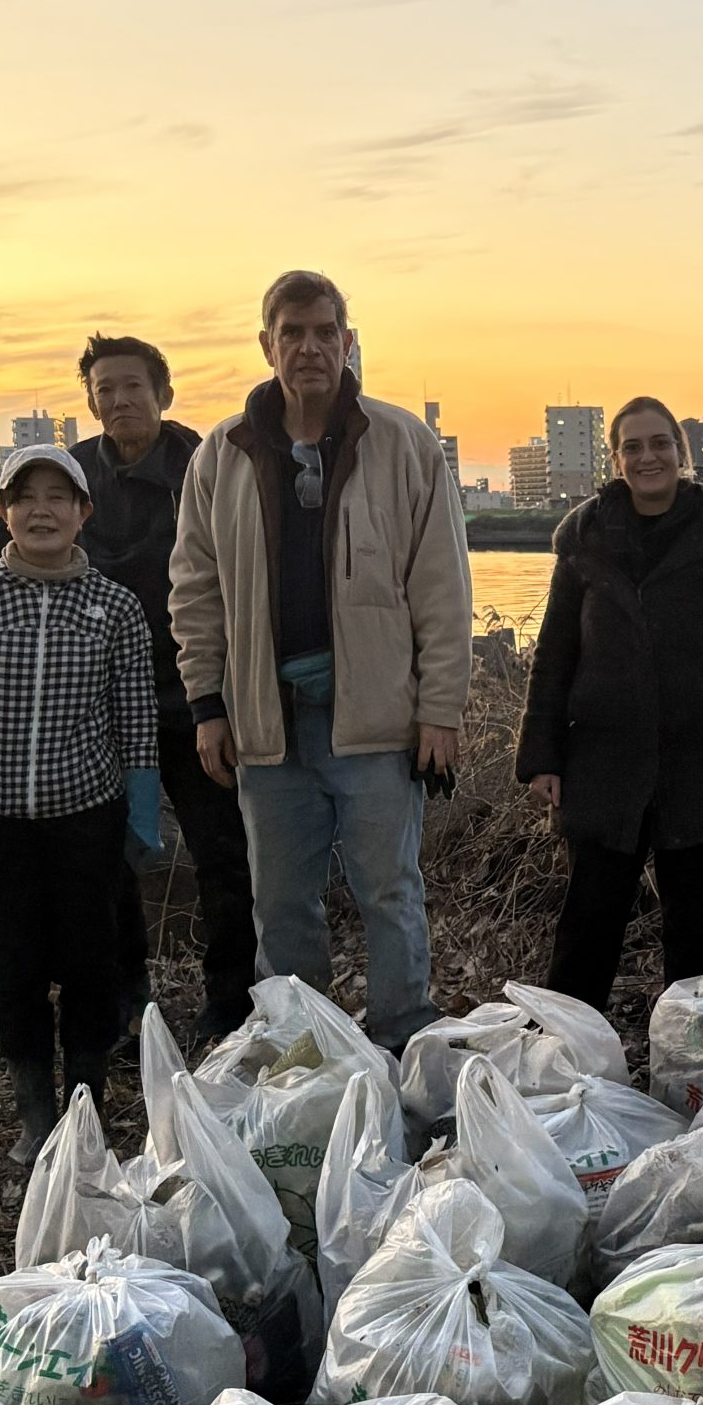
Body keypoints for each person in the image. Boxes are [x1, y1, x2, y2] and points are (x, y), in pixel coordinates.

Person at [0, 334, 257, 1048]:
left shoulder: (203, 468)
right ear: (90, 401)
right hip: (100, 702)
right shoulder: (73, 478)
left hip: (196, 694)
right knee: (112, 860)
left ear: (163, 394)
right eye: (105, 390)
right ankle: (125, 1000)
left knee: (224, 853)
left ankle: (232, 1001)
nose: (120, 400)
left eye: (133, 386)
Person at [169, 270, 472, 1049]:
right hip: (267, 726)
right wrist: (207, 703)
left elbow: (441, 585)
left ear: (347, 340)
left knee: (390, 891)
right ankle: (304, 1050)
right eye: (292, 332)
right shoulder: (221, 455)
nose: (309, 347)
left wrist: (440, 709)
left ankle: (405, 1037)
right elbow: (194, 588)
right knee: (282, 903)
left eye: (324, 331)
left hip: (375, 720)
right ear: (267, 343)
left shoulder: (402, 442)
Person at [514, 397, 703, 1010]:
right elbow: (554, 655)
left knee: (694, 937)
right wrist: (542, 757)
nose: (648, 457)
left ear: (681, 453)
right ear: (615, 459)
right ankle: (566, 1063)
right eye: (632, 446)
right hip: (602, 764)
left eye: (660, 443)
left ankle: (689, 1076)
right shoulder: (582, 537)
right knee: (587, 927)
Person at [0, 445, 162, 1157]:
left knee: (94, 963)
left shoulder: (114, 607)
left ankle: (85, 1101)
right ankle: (34, 1107)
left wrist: (143, 816)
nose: (41, 509)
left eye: (58, 497)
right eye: (24, 496)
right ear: (4, 512)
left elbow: (136, 718)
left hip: (88, 817)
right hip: (3, 828)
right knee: (16, 967)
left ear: (82, 513)